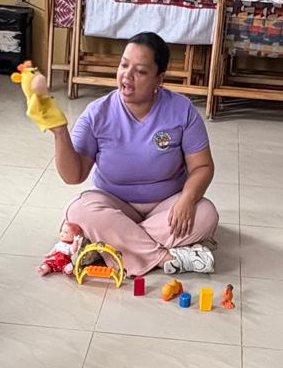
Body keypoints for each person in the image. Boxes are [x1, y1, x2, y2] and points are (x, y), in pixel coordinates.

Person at [40, 32, 220, 278]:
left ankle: (108, 246)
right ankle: (165, 258)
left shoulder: (181, 110)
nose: (127, 75)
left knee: (205, 214)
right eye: (124, 65)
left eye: (141, 71)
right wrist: (60, 133)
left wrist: (187, 200)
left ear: (159, 79)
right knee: (79, 210)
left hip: (166, 205)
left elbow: (202, 167)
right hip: (114, 202)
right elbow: (74, 176)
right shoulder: (97, 113)